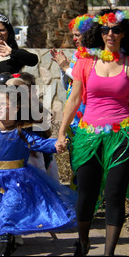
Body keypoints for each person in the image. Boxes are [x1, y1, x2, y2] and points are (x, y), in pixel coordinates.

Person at [55, 8, 129, 256]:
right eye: (105, 29)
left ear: (123, 33)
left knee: (114, 193)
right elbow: (74, 99)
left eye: (116, 29)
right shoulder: (86, 62)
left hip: (123, 135)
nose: (111, 33)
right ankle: (84, 240)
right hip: (89, 136)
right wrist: (61, 132)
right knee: (86, 193)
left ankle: (108, 253)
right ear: (98, 33)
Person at [0, 86, 77, 255]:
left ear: (16, 110)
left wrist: (56, 145)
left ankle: (5, 246)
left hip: (17, 180)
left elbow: (39, 143)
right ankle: (5, 239)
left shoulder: (21, 133)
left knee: (9, 208)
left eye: (4, 104)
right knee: (0, 210)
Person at [50, 14, 93, 190]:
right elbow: (69, 84)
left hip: (88, 117)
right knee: (76, 160)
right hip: (74, 118)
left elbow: (85, 81)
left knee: (88, 161)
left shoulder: (95, 56)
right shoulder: (77, 54)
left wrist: (67, 68)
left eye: (78, 34)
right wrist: (64, 68)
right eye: (73, 35)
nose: (74, 38)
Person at [0, 14, 38, 84]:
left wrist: (12, 52)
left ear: (8, 32)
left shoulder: (15, 54)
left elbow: (34, 60)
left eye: (2, 30)